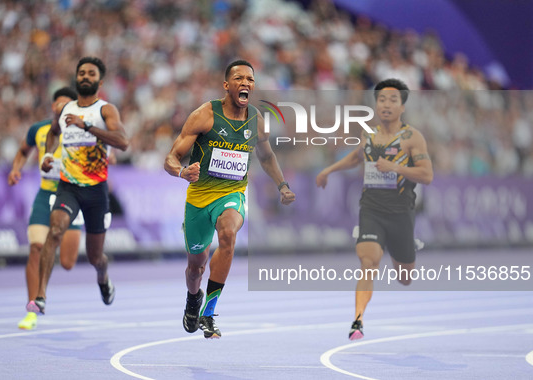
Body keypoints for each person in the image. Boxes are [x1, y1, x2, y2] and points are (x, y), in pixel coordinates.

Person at [165, 59, 296, 339]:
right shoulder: (205, 115)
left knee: (228, 234)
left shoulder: (256, 119)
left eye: (249, 79)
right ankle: (193, 299)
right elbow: (171, 158)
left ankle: (209, 313)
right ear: (227, 85)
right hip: (199, 199)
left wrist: (282, 186)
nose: (245, 83)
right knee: (195, 267)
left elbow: (266, 156)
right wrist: (181, 172)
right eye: (238, 78)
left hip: (232, 194)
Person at [316, 78, 433, 340]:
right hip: (371, 210)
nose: (386, 105)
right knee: (368, 263)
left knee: (404, 278)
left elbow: (426, 175)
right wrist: (330, 170)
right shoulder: (369, 135)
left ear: (402, 106)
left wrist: (396, 168)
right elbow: (357, 156)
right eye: (381, 100)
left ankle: (407, 245)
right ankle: (357, 320)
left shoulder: (413, 138)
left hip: (401, 213)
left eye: (392, 100)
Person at [26, 57, 129, 316]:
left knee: (95, 257)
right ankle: (40, 296)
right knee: (56, 228)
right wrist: (49, 156)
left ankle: (103, 277)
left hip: (96, 191)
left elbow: (123, 142)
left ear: (99, 81)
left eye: (90, 73)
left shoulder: (106, 110)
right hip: (68, 186)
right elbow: (52, 134)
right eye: (81, 72)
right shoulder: (64, 110)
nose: (84, 76)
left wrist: (87, 126)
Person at [8, 87, 83, 330]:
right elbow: (22, 151)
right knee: (36, 247)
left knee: (69, 261)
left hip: (72, 195)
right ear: (53, 106)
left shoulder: (81, 128)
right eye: (58, 103)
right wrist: (16, 168)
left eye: (66, 104)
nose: (61, 108)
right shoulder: (38, 129)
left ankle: (54, 251)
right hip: (46, 194)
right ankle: (32, 307)